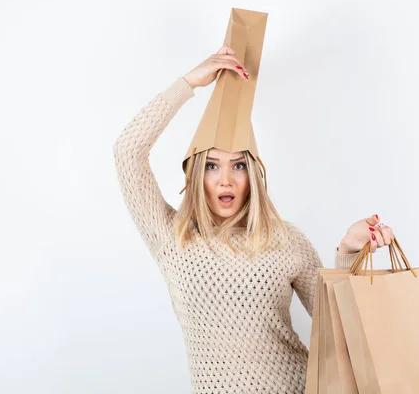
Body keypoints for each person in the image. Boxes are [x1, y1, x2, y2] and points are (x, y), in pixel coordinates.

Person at [113, 45, 395, 394]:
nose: (226, 179)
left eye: (239, 165)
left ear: (254, 176)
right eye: (213, 165)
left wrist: (350, 251)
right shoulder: (171, 235)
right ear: (197, 173)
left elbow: (338, 328)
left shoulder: (285, 240)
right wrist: (188, 83)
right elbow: (127, 152)